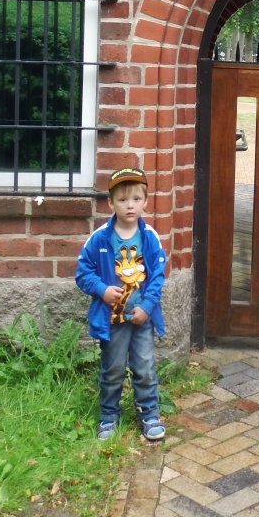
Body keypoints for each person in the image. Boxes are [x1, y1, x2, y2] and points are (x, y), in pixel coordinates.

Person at [75, 167, 166, 442]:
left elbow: (158, 276)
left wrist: (147, 307)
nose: (130, 205)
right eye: (123, 199)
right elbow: (83, 273)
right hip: (112, 320)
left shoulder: (149, 237)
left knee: (144, 367)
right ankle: (108, 416)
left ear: (145, 201)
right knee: (113, 370)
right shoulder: (100, 238)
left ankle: (149, 414)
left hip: (141, 319)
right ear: (110, 202)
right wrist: (102, 290)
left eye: (136, 199)